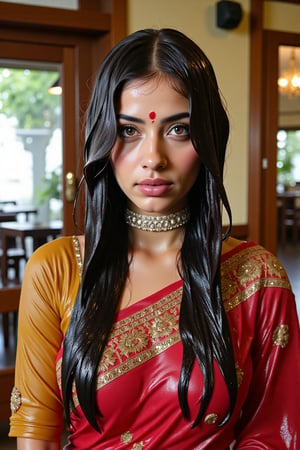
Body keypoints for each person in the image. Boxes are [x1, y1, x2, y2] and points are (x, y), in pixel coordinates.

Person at [9, 28, 300, 449]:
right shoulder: (56, 269)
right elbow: (39, 433)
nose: (152, 159)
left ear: (208, 139)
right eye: (129, 131)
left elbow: (274, 433)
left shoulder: (255, 277)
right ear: (102, 139)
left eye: (178, 130)